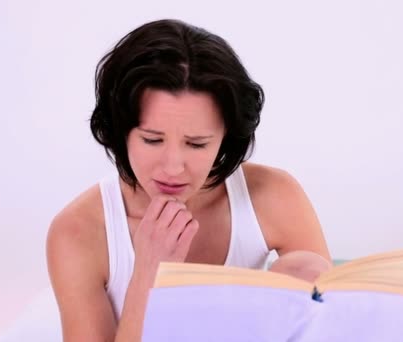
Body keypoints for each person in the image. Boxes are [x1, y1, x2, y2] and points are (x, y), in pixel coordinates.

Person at [46, 18, 331, 341]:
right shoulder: (78, 233)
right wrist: (150, 273)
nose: (173, 168)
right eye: (152, 140)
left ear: (226, 137)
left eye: (197, 144)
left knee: (309, 267)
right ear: (120, 131)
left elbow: (335, 323)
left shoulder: (273, 196)